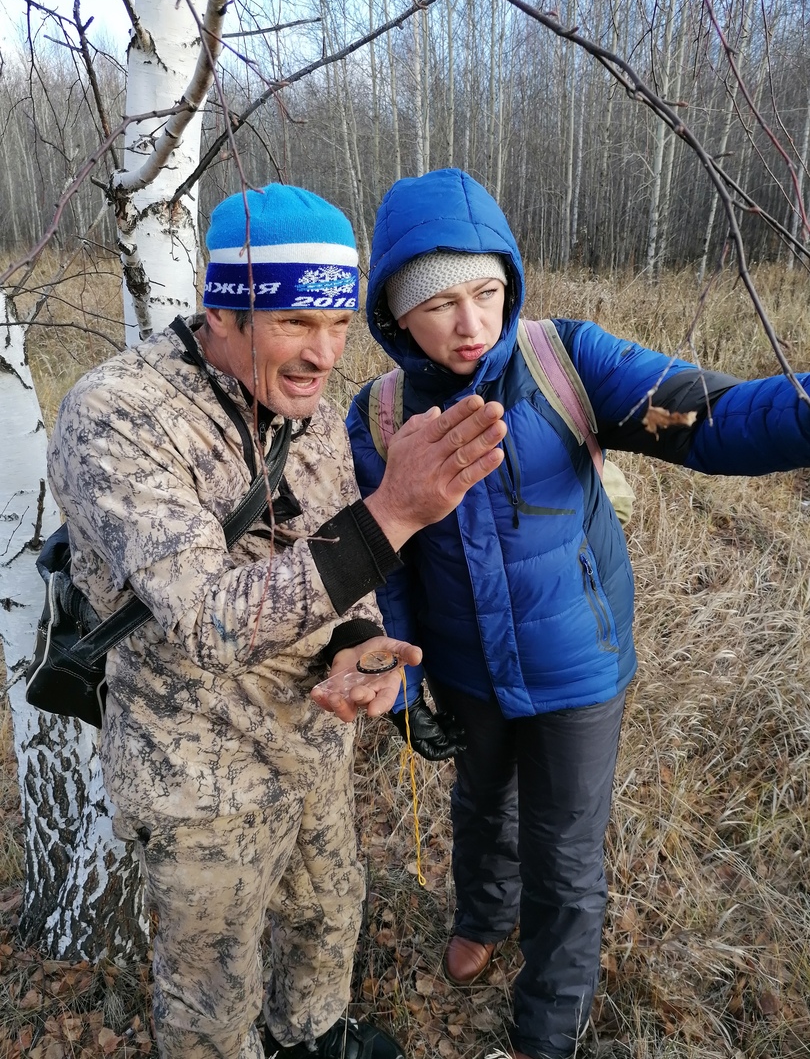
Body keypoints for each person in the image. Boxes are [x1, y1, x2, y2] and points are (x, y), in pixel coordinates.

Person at [346, 167, 810, 1059]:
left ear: (510, 282)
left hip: (578, 665)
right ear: (396, 315)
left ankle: (547, 1026)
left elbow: (713, 416)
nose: (471, 323)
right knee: (481, 805)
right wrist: (400, 683)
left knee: (564, 851)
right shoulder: (380, 415)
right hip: (465, 668)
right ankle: (484, 915)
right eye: (440, 304)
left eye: (487, 293)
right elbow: (386, 563)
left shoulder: (566, 361)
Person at [46, 182, 507, 1059]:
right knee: (212, 993)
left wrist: (359, 644)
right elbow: (205, 621)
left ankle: (312, 1041)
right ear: (222, 310)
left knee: (328, 916)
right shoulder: (119, 415)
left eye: (338, 325)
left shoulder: (308, 408)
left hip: (312, 741)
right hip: (197, 775)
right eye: (295, 322)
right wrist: (394, 514)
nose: (323, 355)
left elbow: (333, 546)